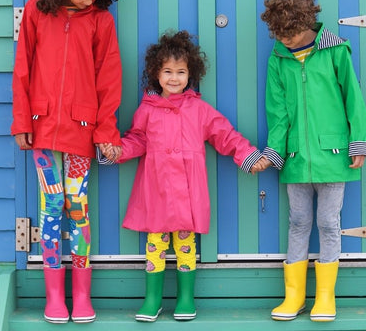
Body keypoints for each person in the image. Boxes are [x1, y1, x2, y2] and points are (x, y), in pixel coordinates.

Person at [101, 30, 268, 322]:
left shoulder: (199, 109)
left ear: (191, 74)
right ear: (156, 73)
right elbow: (137, 139)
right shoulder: (147, 110)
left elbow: (224, 135)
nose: (174, 78)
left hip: (187, 191)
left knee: (185, 244)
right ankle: (152, 298)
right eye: (167, 71)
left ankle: (186, 297)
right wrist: (116, 151)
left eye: (180, 72)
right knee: (155, 245)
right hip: (156, 188)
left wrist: (248, 156)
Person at [11, 0, 126, 324]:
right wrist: (21, 121)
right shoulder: (36, 12)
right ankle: (54, 297)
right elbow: (23, 67)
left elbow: (108, 78)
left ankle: (82, 296)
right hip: (41, 128)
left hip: (82, 130)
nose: (88, 1)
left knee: (77, 209)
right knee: (50, 208)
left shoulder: (102, 21)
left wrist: (105, 130)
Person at [260, 0, 366, 322]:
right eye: (278, 34)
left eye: (289, 34)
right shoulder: (278, 58)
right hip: (296, 157)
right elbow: (276, 113)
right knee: (298, 221)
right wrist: (274, 152)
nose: (283, 40)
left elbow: (355, 100)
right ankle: (294, 296)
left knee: (327, 222)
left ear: (306, 25)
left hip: (334, 154)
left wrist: (359, 143)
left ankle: (325, 296)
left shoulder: (336, 50)